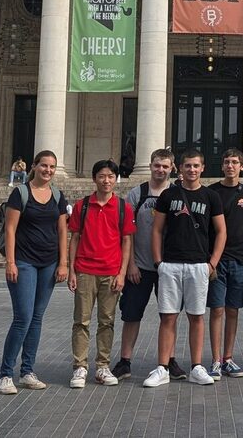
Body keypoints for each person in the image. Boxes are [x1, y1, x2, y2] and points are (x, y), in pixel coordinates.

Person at [144, 149, 226, 388]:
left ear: (203, 169)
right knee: (168, 317)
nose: (192, 170)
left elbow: (221, 231)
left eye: (196, 166)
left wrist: (212, 263)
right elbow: (157, 229)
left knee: (197, 317)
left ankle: (196, 366)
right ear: (180, 168)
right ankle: (162, 367)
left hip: (199, 264)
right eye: (188, 166)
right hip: (170, 263)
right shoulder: (169, 195)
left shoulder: (211, 197)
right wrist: (159, 262)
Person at [0, 149, 69, 395]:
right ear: (34, 166)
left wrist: (63, 263)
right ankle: (6, 374)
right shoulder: (20, 193)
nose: (48, 170)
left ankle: (27, 371)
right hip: (24, 262)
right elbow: (10, 229)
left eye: (52, 167)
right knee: (23, 318)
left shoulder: (58, 195)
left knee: (37, 318)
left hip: (48, 263)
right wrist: (11, 262)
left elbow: (62, 231)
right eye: (44, 166)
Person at [67, 159, 135, 389]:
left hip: (111, 272)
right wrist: (71, 270)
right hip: (86, 270)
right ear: (94, 178)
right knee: (81, 321)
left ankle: (103, 366)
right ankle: (80, 367)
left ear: (116, 179)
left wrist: (122, 273)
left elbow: (127, 241)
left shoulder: (123, 207)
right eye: (102, 176)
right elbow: (74, 238)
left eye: (111, 176)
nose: (106, 181)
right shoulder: (82, 206)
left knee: (107, 322)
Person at [111, 148, 175, 381]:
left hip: (169, 267)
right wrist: (130, 265)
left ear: (171, 169)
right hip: (139, 266)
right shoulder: (136, 194)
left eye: (165, 166)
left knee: (169, 316)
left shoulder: (177, 193)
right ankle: (125, 360)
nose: (160, 170)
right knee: (131, 315)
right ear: (150, 166)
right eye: (157, 165)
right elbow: (126, 234)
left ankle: (169, 361)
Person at [208, 149, 243, 380]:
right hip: (218, 260)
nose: (230, 166)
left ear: (242, 167)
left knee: (233, 310)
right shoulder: (212, 192)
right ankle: (216, 360)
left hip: (240, 259)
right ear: (222, 166)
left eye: (235, 162)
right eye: (227, 162)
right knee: (217, 309)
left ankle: (228, 358)